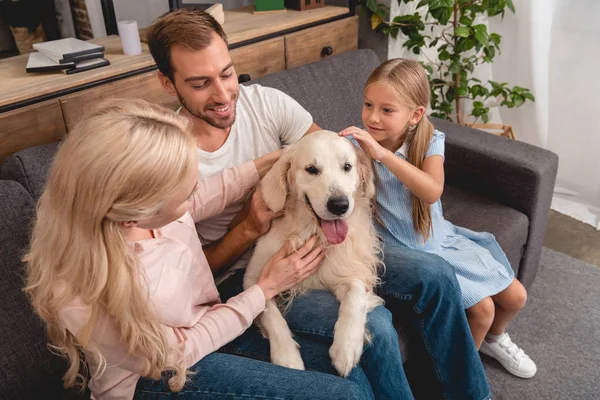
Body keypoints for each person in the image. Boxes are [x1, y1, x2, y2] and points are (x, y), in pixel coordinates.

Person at [147, 8, 492, 400]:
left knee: (435, 274)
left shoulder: (266, 104)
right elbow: (184, 277)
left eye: (226, 73)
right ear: (167, 82)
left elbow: (328, 153)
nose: (224, 94)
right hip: (241, 275)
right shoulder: (168, 156)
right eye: (200, 83)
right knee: (376, 329)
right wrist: (246, 229)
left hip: (322, 234)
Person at [23, 99, 391, 400]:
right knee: (342, 396)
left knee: (359, 367)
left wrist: (274, 162)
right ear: (132, 212)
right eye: (183, 193)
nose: (193, 197)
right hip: (154, 377)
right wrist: (264, 289)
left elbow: (212, 192)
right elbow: (177, 351)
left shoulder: (148, 215)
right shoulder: (77, 289)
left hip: (216, 323)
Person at [339, 58, 537, 379]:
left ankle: (495, 339)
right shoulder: (356, 146)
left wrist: (383, 154)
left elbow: (431, 191)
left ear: (415, 114)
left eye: (387, 110)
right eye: (368, 105)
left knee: (516, 297)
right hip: (405, 252)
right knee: (483, 309)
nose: (372, 117)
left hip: (440, 240)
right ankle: (460, 377)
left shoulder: (430, 140)